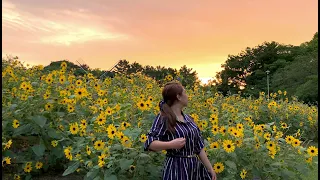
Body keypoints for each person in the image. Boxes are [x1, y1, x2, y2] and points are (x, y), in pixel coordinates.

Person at [144, 81, 217, 180]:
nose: (187, 96)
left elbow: (199, 147)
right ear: (178, 97)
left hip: (194, 169)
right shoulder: (164, 118)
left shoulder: (189, 119)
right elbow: (149, 144)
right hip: (176, 169)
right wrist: (170, 144)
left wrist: (210, 169)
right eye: (185, 93)